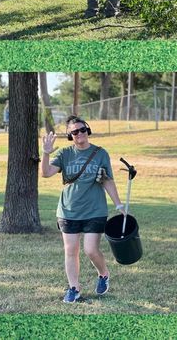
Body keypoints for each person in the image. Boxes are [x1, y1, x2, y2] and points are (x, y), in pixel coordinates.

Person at [41, 116, 124, 303]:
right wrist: (46, 153)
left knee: (90, 250)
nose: (79, 134)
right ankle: (74, 288)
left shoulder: (101, 153)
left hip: (95, 210)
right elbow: (45, 173)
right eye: (74, 132)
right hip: (68, 210)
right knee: (70, 250)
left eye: (82, 129)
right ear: (70, 136)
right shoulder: (64, 154)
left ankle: (103, 274)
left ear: (88, 130)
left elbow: (108, 180)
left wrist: (119, 205)